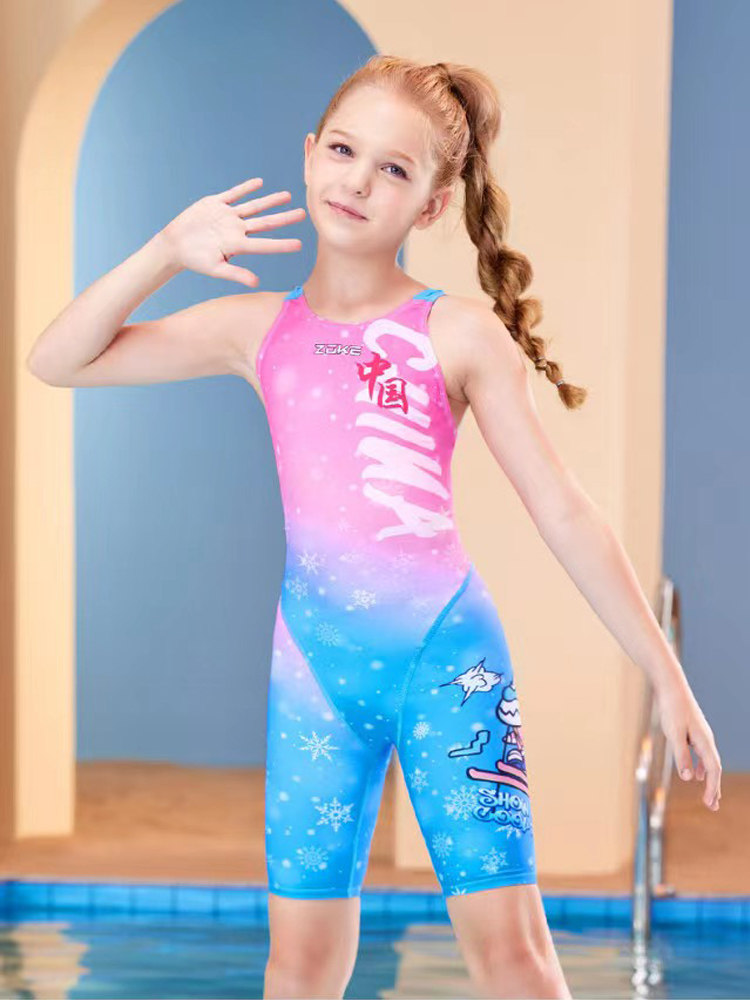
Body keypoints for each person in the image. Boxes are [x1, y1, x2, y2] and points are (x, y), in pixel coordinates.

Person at [26, 54, 722, 1000]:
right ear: (310, 153)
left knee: (512, 956)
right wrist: (164, 250)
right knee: (299, 966)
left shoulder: (459, 333)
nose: (357, 181)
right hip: (312, 675)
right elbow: (58, 359)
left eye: (393, 168)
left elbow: (563, 509)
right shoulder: (257, 329)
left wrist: (666, 677)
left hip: (448, 665)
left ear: (432, 205)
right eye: (344, 151)